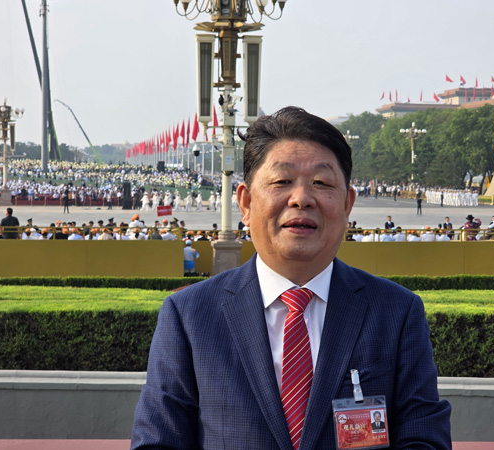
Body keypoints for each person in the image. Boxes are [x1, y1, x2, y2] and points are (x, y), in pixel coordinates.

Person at [131, 106, 451, 450]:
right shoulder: (190, 316)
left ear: (347, 204)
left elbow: (424, 440)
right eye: (282, 182)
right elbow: (158, 443)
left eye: (321, 183)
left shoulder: (396, 313)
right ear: (246, 203)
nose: (301, 199)